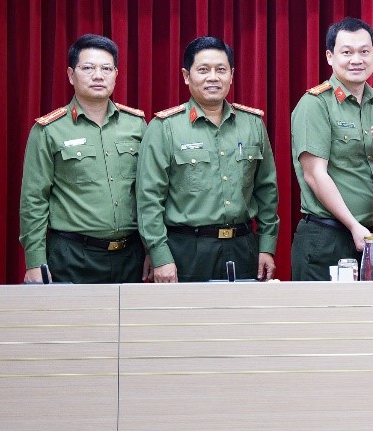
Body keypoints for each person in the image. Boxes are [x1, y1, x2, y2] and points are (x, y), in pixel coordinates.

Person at [137, 37, 279, 282]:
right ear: (186, 76)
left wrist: (266, 246)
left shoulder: (252, 124)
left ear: (231, 75)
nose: (213, 77)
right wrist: (160, 255)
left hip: (243, 247)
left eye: (221, 70)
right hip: (186, 250)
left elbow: (267, 190)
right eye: (203, 70)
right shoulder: (165, 128)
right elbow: (149, 198)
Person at [18, 34, 147, 283]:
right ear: (70, 75)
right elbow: (33, 200)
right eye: (88, 68)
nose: (98, 76)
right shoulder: (49, 130)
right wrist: (35, 261)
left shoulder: (137, 125)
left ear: (116, 75)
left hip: (130, 255)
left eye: (106, 69)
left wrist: (152, 249)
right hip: (72, 256)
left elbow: (149, 192)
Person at [290, 17, 373, 281]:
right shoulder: (315, 104)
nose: (356, 59)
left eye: (364, 51)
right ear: (330, 56)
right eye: (347, 52)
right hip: (328, 238)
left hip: (372, 237)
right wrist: (354, 226)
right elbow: (315, 175)